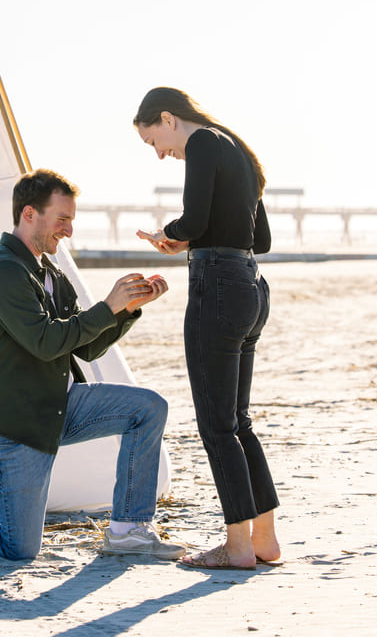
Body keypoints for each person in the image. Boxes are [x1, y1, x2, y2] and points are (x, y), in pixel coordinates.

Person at [0, 169, 184, 561]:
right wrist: (107, 306)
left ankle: (128, 530)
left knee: (147, 409)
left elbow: (86, 348)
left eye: (71, 221)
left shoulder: (49, 273)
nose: (67, 231)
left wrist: (126, 310)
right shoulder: (0, 272)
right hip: (12, 425)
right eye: (61, 219)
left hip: (58, 405)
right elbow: (46, 342)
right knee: (19, 547)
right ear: (29, 213)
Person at [132, 86, 281, 571]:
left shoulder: (199, 144)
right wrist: (188, 238)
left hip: (217, 287)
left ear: (168, 118)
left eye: (153, 139)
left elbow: (194, 218)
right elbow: (261, 238)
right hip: (251, 285)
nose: (158, 153)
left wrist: (167, 235)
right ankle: (264, 540)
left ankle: (237, 547)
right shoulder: (237, 148)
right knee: (239, 422)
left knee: (217, 426)